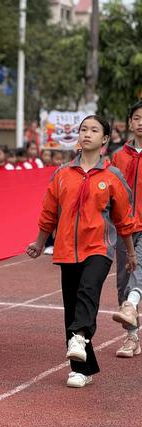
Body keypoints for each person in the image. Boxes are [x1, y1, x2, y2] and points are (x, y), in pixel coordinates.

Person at [27, 115, 136, 388]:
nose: (87, 133)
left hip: (99, 248)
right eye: (83, 129)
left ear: (105, 140)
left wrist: (131, 253)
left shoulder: (112, 176)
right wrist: (40, 243)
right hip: (65, 250)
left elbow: (124, 219)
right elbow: (49, 212)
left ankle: (80, 335)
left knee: (88, 291)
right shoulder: (62, 173)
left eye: (94, 130)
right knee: (72, 306)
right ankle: (81, 368)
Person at [111, 100, 142, 357]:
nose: (141, 122)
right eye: (137, 117)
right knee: (123, 282)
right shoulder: (118, 156)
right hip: (124, 227)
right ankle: (132, 338)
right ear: (130, 123)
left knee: (139, 267)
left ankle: (131, 305)